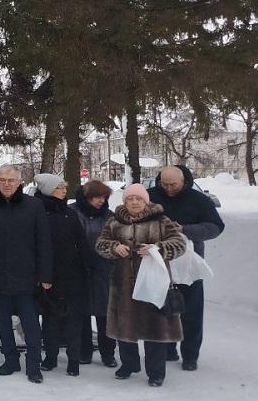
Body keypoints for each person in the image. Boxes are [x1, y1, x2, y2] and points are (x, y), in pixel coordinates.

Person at [96, 183, 186, 387]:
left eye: (138, 198)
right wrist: (114, 247)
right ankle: (129, 365)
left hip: (154, 283)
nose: (134, 202)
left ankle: (156, 372)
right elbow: (100, 244)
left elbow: (179, 244)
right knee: (125, 328)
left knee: (155, 328)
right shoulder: (114, 222)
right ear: (124, 201)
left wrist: (158, 248)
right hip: (122, 284)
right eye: (130, 199)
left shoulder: (161, 221)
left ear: (146, 201)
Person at [0, 165, 52, 384]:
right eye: (2, 180)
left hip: (27, 277)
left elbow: (44, 243)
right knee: (3, 324)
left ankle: (33, 364)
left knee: (31, 325)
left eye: (11, 180)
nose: (6, 184)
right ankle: (11, 360)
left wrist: (45, 275)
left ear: (19, 182)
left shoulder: (34, 205)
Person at [149, 165, 224, 371]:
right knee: (162, 310)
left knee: (191, 313)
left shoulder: (199, 200)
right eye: (164, 184)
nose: (168, 188)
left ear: (184, 181)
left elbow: (216, 227)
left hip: (190, 266)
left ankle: (190, 355)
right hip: (159, 263)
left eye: (173, 184)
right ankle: (167, 348)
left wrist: (185, 230)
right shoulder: (151, 196)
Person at [33, 174, 92, 377]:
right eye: (59, 187)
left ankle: (73, 360)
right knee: (50, 319)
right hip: (48, 275)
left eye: (64, 187)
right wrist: (42, 274)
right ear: (49, 190)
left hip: (73, 274)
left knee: (74, 319)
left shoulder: (69, 212)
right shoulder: (39, 212)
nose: (64, 190)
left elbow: (81, 241)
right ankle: (50, 357)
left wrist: (87, 267)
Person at [73, 179, 116, 366]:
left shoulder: (110, 217)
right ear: (86, 197)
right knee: (81, 314)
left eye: (104, 197)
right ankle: (84, 351)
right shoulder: (72, 213)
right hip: (79, 269)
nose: (101, 201)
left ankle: (108, 353)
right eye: (97, 197)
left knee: (105, 314)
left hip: (104, 269)